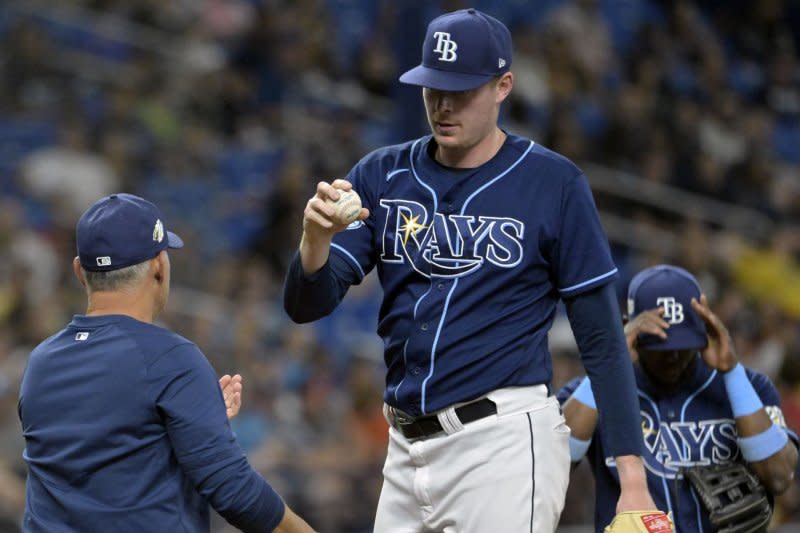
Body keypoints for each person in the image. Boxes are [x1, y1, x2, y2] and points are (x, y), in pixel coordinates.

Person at [284, 8, 662, 532]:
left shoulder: (552, 184)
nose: (442, 104)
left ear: (503, 85)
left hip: (502, 444)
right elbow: (307, 306)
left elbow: (601, 339)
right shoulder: (381, 174)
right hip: (405, 450)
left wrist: (633, 482)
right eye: (432, 88)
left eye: (461, 90)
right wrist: (313, 241)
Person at [18, 193, 316, 533]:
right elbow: (236, 493)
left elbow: (101, 456)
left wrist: (196, 419)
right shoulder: (171, 358)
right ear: (159, 266)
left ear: (79, 271)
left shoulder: (40, 361)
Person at [559, 264, 799, 532]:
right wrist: (609, 367)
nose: (672, 356)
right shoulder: (590, 394)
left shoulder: (750, 388)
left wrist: (732, 373)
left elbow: (780, 478)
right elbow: (551, 465)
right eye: (660, 345)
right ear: (629, 331)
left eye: (682, 345)